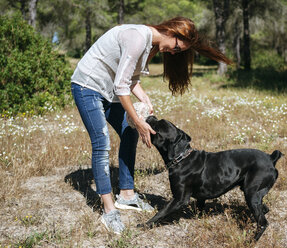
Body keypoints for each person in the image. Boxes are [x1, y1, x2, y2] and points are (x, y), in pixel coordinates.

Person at [70, 16, 231, 234]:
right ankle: (109, 212)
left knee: (129, 133)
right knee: (102, 142)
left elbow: (130, 78)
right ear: (172, 32)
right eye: (176, 47)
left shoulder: (150, 45)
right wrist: (138, 120)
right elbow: (121, 86)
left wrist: (144, 98)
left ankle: (126, 195)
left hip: (110, 87)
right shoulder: (137, 38)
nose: (173, 53)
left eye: (178, 52)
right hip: (88, 85)